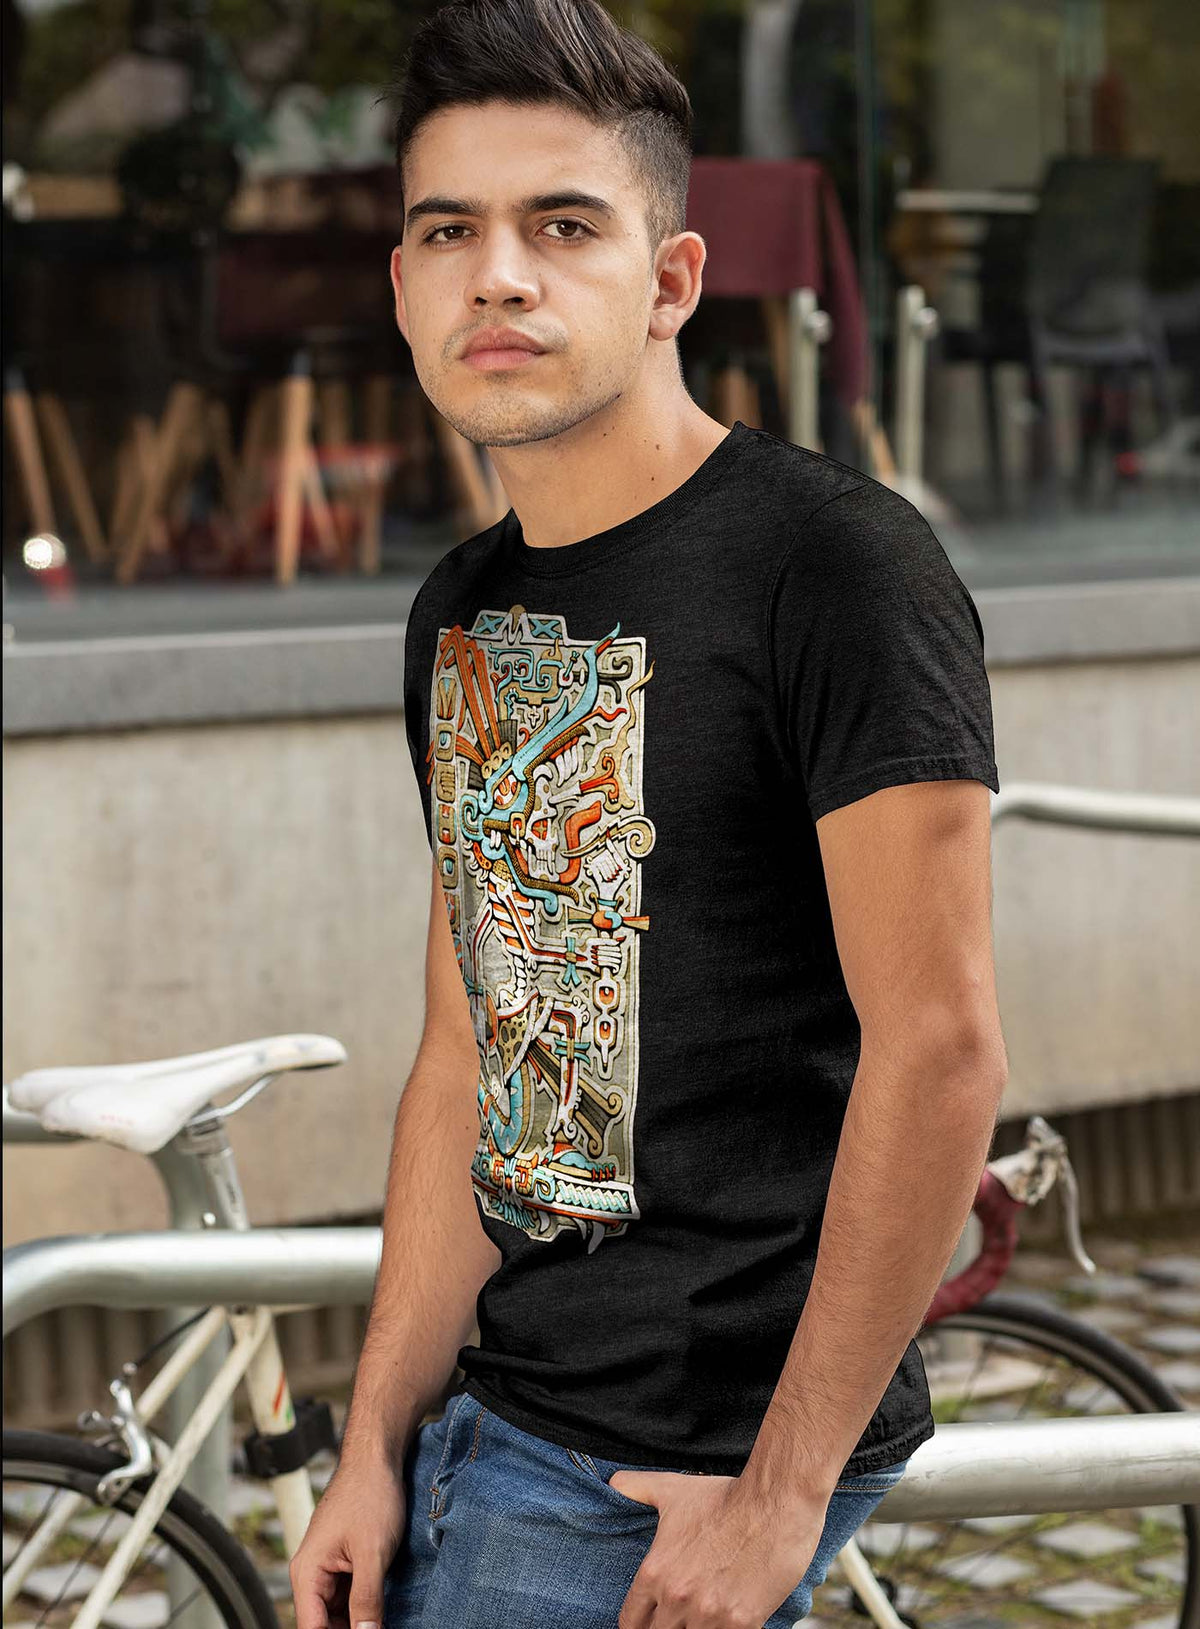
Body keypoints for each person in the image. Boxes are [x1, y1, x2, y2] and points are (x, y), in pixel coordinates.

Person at [289, 1, 1008, 1624]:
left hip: (671, 1474)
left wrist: (781, 1497)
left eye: (563, 226)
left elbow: (944, 1047)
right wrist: (375, 1441)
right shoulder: (463, 608)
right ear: (401, 288)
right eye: (449, 232)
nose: (499, 276)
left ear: (672, 280)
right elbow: (470, 1054)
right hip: (496, 1421)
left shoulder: (833, 565)